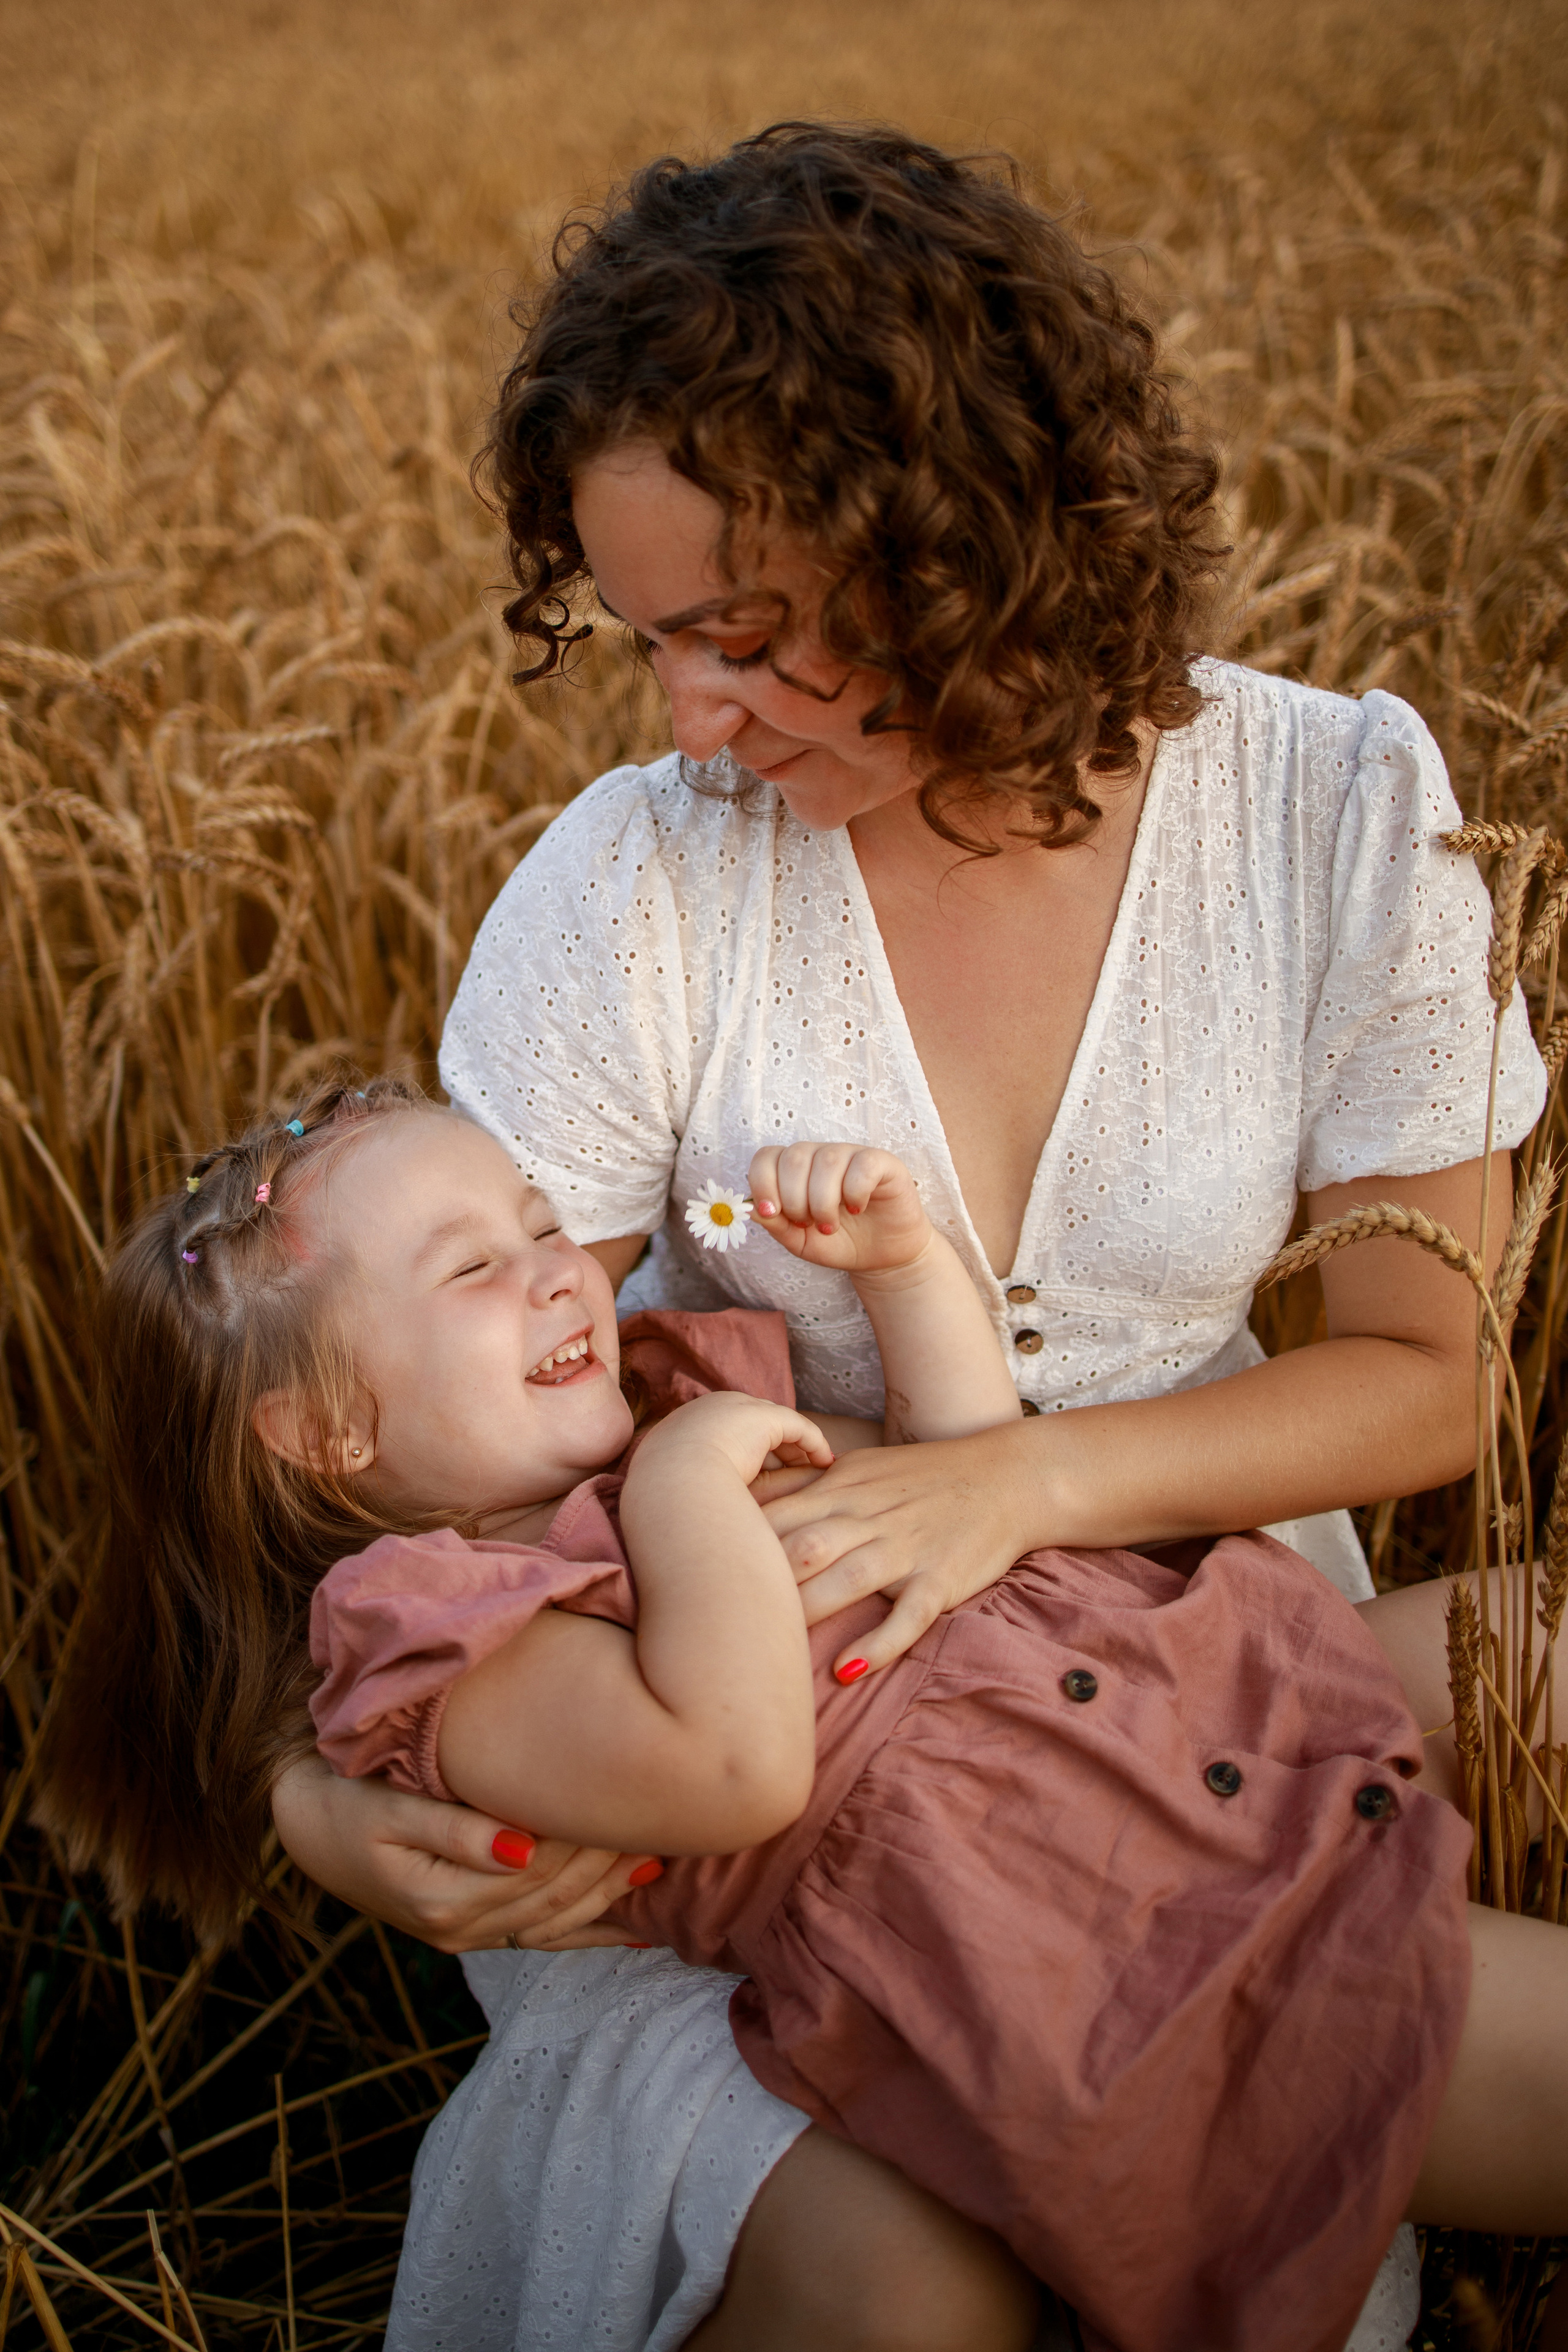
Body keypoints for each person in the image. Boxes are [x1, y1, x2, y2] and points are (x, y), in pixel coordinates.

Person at [263, 124, 1550, 2352]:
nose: (689, 717)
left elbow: (1426, 1380)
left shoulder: (1340, 812)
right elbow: (411, 1411)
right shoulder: (637, 881)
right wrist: (311, 1794)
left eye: (745, 639)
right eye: (648, 640)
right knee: (913, 2296)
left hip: (1207, 1646)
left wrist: (1018, 1484)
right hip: (782, 1749)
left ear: (960, 545)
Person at [42, 1081, 1568, 2352]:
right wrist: (688, 1482)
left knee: (1530, 1635)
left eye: (534, 1223)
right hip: (1088, 1910)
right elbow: (736, 1766)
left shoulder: (661, 1400)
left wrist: (905, 1276)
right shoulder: (437, 1640)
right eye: (471, 1270)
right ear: (330, 1433)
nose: (560, 1267)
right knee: (1464, 2033)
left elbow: (964, 1476)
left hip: (1189, 1686)